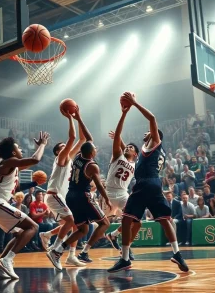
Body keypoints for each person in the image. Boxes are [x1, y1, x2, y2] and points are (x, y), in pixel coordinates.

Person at [107, 92, 188, 273]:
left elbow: (152, 118)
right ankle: (177, 253)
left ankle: (125, 258)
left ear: (154, 135)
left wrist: (134, 103)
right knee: (164, 219)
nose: (145, 133)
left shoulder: (154, 143)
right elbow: (125, 148)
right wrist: (119, 135)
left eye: (149, 132)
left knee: (127, 219)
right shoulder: (148, 152)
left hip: (144, 183)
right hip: (153, 183)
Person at [0, 132, 49, 279]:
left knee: (20, 233)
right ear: (13, 152)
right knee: (33, 227)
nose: (21, 150)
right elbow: (35, 159)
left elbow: (15, 188)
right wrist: (42, 145)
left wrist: (33, 183)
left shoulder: (12, 166)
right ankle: (7, 260)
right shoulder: (8, 161)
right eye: (19, 148)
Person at [47, 119, 112, 271]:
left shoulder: (76, 157)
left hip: (70, 196)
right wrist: (107, 199)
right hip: (83, 196)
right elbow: (100, 185)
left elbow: (87, 139)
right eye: (95, 148)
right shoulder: (92, 166)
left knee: (82, 230)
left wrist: (78, 117)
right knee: (105, 223)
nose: (96, 149)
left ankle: (58, 250)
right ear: (91, 152)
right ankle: (84, 252)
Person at [40, 108, 87, 268]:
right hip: (53, 195)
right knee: (72, 221)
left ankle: (71, 255)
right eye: (62, 146)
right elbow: (73, 137)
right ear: (57, 152)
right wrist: (70, 118)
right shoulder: (60, 158)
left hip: (61, 196)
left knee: (75, 224)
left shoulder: (68, 159)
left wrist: (79, 117)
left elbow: (81, 139)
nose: (65, 146)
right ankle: (55, 249)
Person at [103, 105, 139, 260]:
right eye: (127, 146)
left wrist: (127, 144)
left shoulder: (135, 164)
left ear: (135, 154)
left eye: (131, 147)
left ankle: (120, 242)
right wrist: (123, 114)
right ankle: (67, 245)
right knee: (93, 223)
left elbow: (129, 150)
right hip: (108, 193)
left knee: (136, 223)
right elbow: (118, 137)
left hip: (123, 194)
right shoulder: (118, 155)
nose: (127, 147)